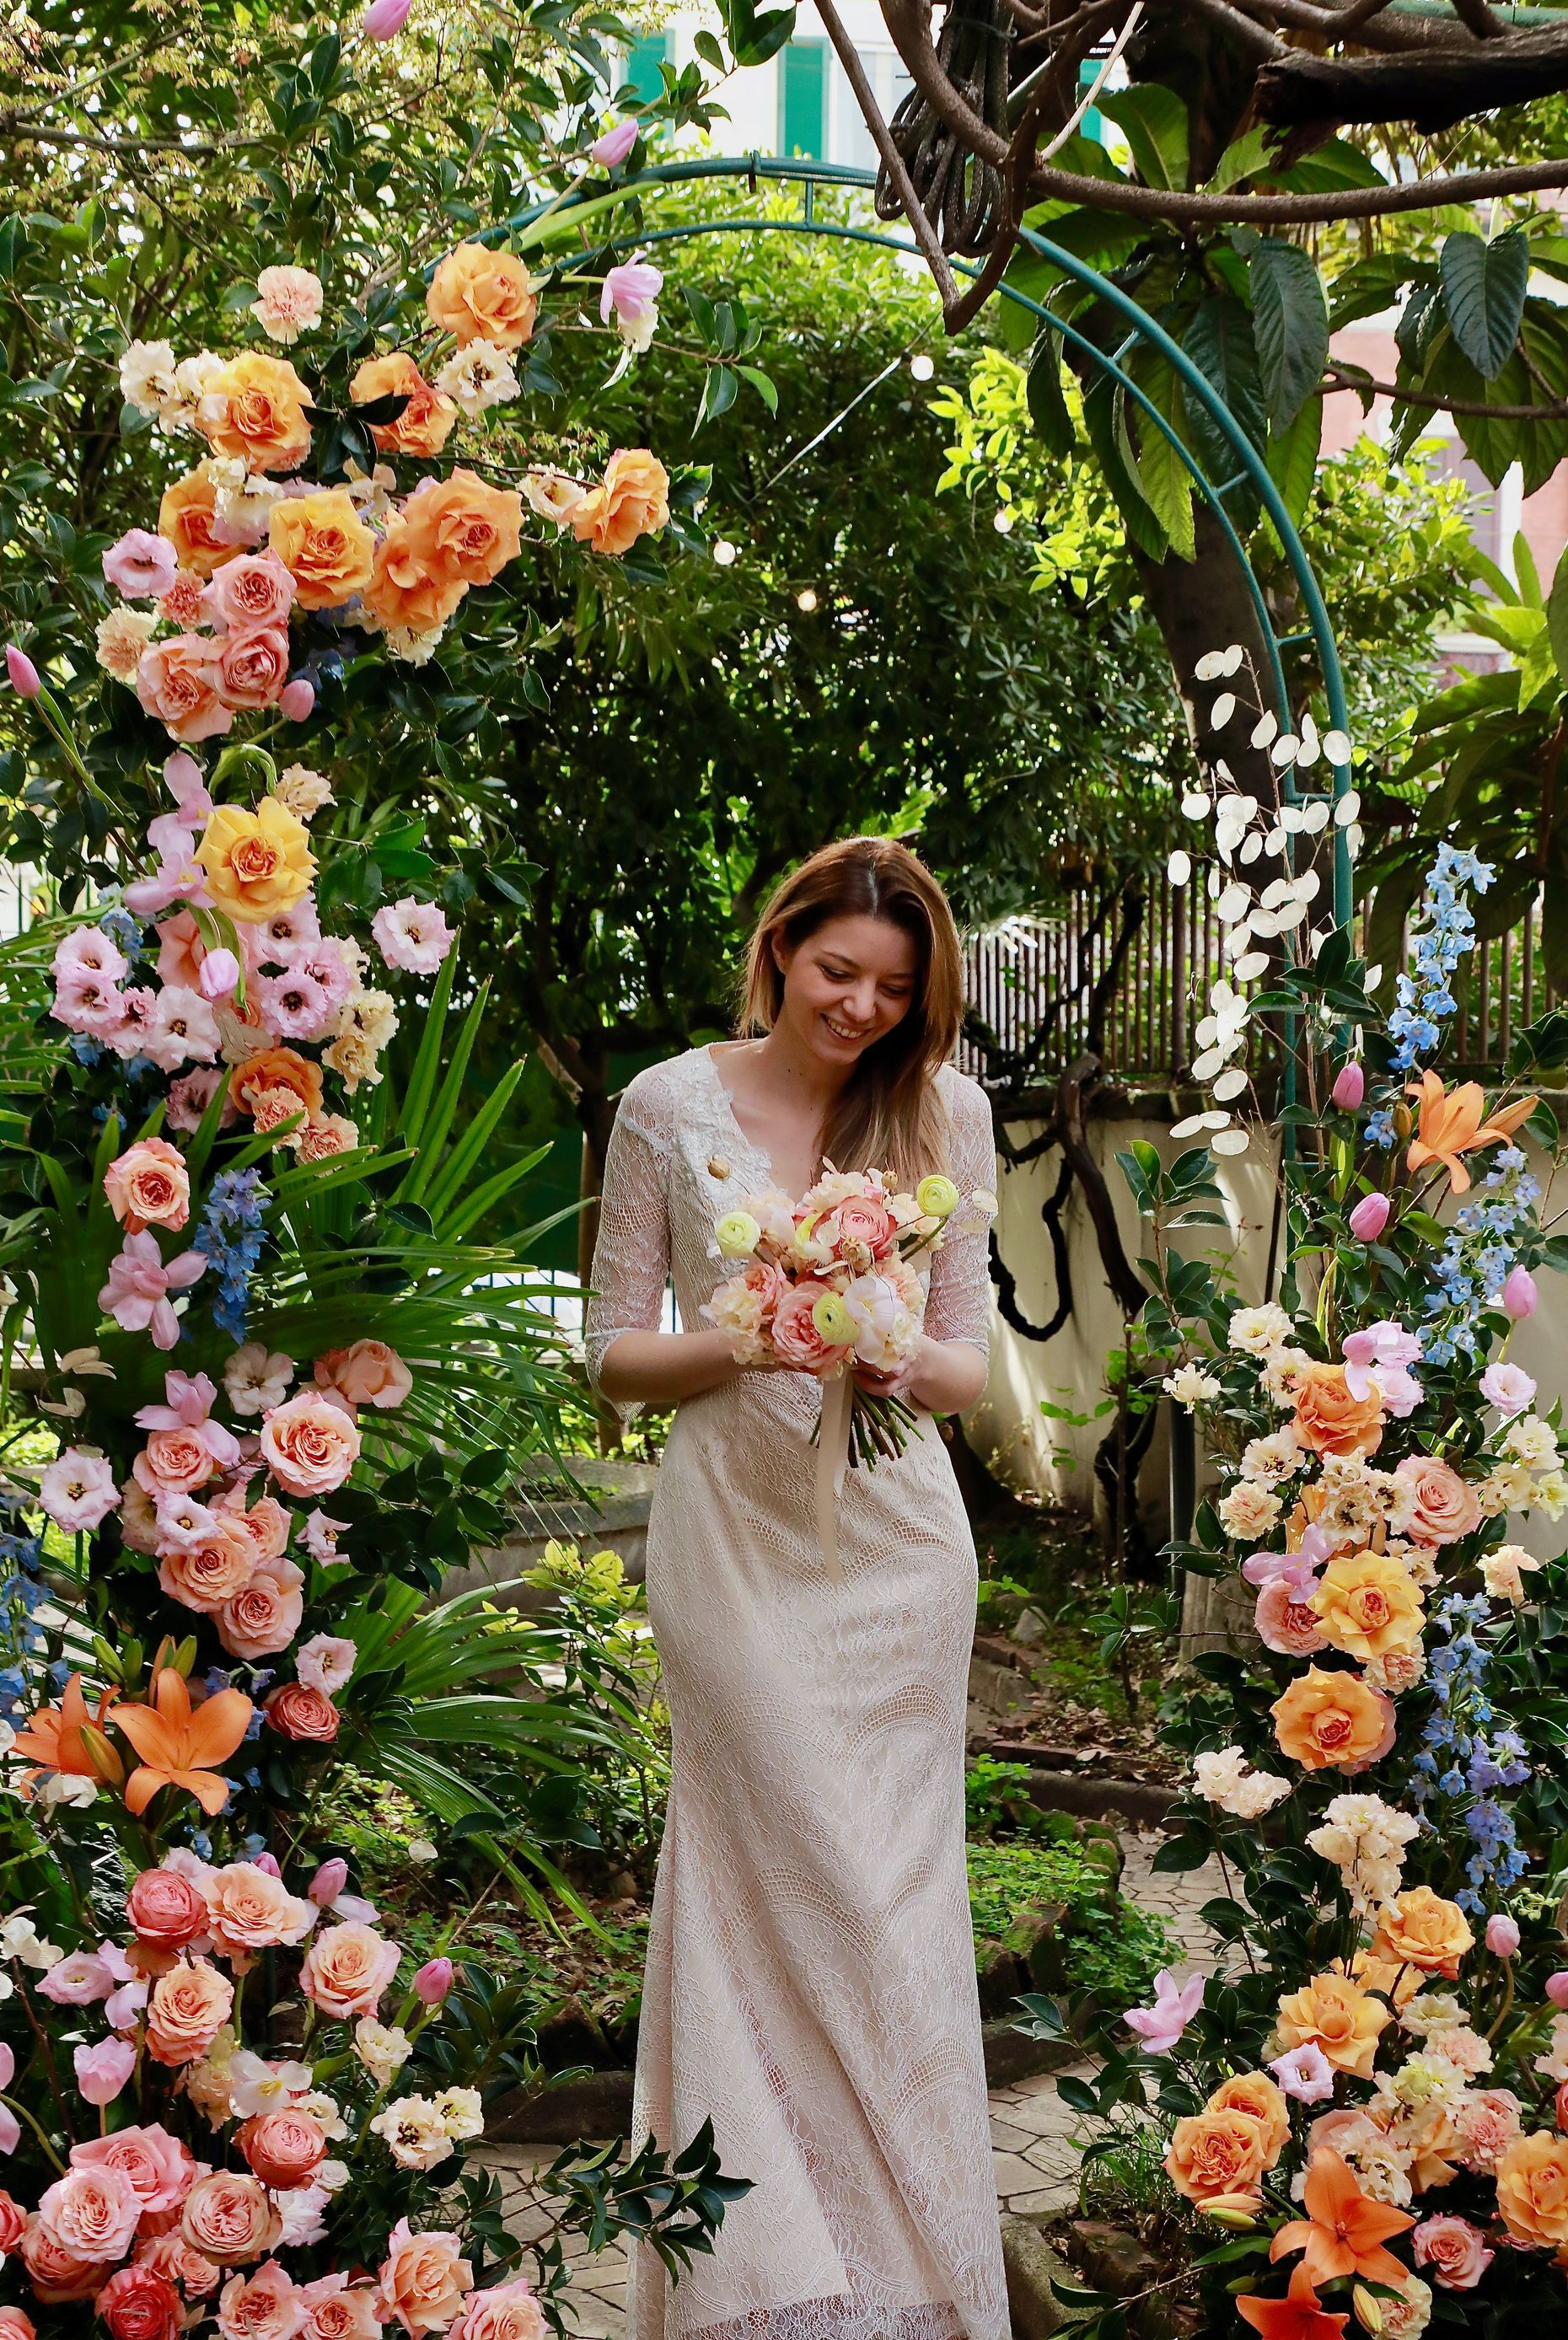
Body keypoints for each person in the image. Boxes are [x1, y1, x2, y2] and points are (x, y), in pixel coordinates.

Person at [585, 835, 1009, 2340]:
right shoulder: (665, 1104)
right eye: (839, 972)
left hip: (899, 1557)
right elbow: (612, 1354)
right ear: (779, 950)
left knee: (891, 1903)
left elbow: (968, 1362)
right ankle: (754, 2294)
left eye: (895, 989)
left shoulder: (946, 1110)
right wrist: (749, 1338)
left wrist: (888, 1347)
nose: (862, 1009)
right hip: (735, 1550)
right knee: (755, 1881)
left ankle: (914, 2287)